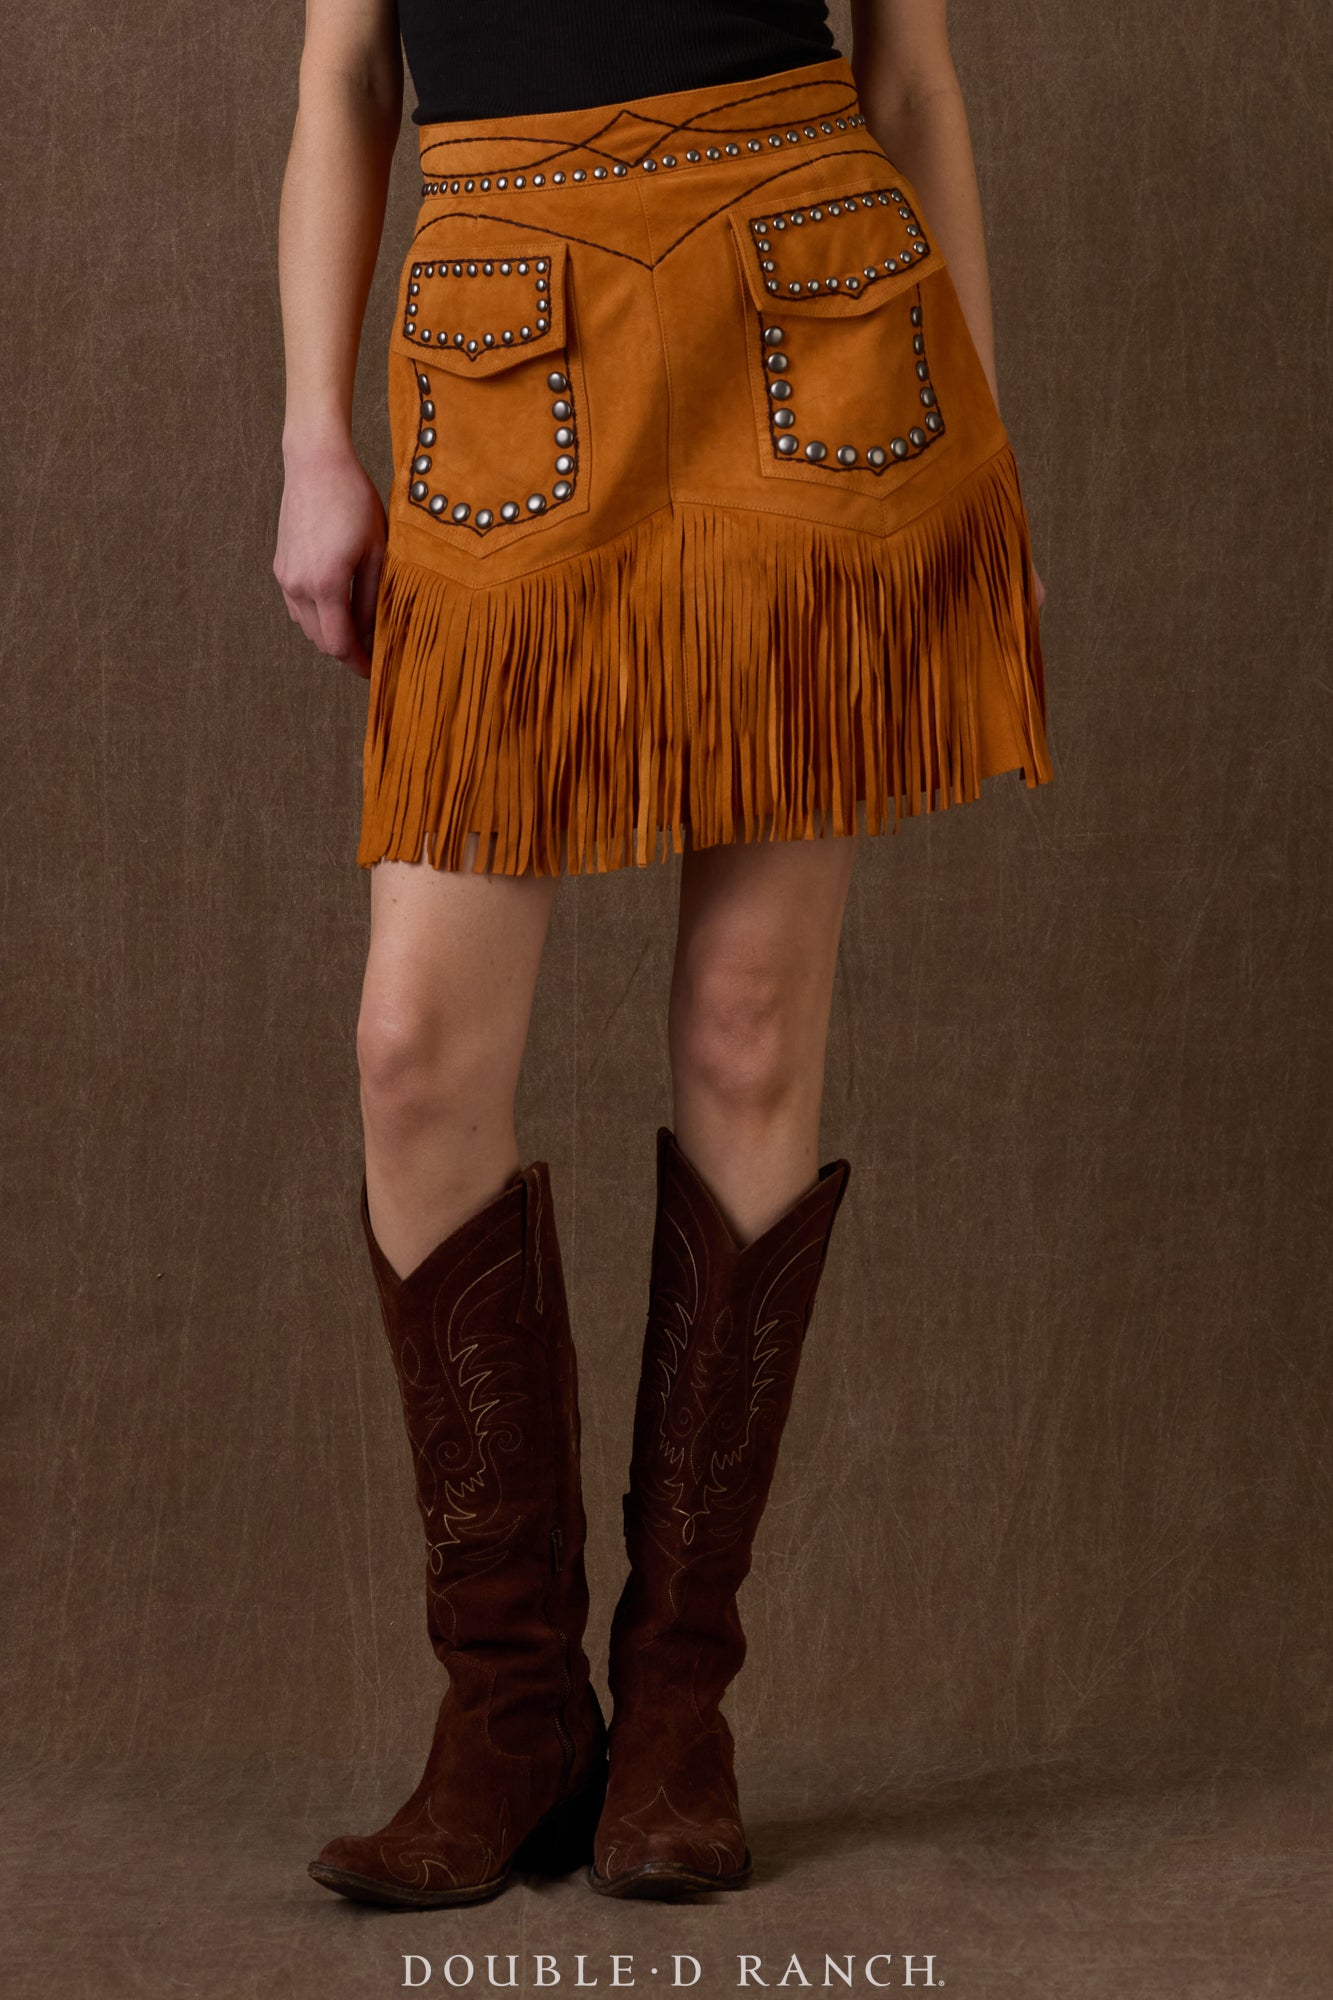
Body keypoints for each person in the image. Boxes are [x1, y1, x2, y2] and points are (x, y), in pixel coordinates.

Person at [273, 0, 1053, 1908]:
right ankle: (510, 1712)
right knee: (412, 1047)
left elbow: (911, 75)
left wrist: (992, 451)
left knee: (748, 1023)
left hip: (815, 323)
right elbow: (345, 73)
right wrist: (309, 435)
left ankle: (678, 1715)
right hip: (497, 340)